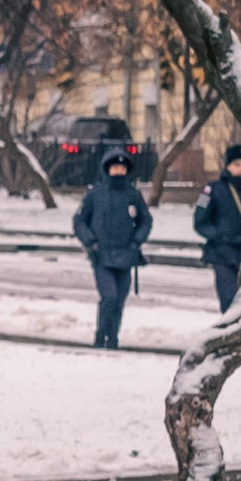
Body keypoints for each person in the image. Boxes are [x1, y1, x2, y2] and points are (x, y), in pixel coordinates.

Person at [73, 143, 150, 348]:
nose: (119, 171)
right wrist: (91, 242)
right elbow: (80, 221)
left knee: (119, 300)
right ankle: (100, 336)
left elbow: (145, 220)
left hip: (125, 255)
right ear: (107, 169)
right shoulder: (95, 194)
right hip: (102, 255)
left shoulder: (133, 195)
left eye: (122, 168)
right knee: (109, 296)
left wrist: (137, 241)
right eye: (115, 168)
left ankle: (113, 338)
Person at [195, 142, 241, 313]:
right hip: (222, 253)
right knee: (229, 299)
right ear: (227, 166)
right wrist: (218, 235)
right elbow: (200, 221)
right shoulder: (212, 190)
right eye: (237, 164)